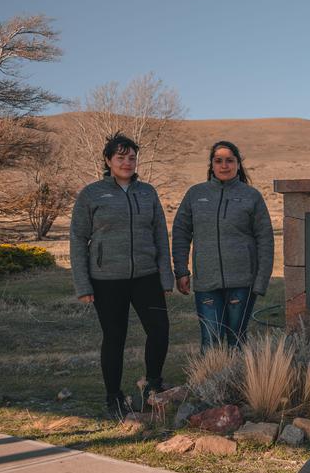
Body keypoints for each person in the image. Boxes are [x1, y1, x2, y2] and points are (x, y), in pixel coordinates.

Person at [70, 133, 173, 419]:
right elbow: (78, 239)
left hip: (146, 276)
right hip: (107, 280)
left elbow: (160, 236)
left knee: (160, 329)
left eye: (131, 157)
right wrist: (83, 283)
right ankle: (113, 397)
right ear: (108, 160)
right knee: (115, 337)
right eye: (120, 157)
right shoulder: (91, 194)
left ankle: (153, 385)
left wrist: (166, 277)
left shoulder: (147, 192)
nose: (127, 162)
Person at [172, 140, 274, 350]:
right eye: (218, 161)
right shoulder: (195, 194)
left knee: (236, 340)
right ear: (211, 164)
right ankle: (208, 382)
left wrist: (261, 281)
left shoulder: (251, 196)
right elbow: (181, 232)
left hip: (242, 282)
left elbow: (265, 239)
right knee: (210, 341)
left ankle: (239, 383)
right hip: (206, 283)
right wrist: (181, 271)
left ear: (238, 164)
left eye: (229, 160)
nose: (224, 165)